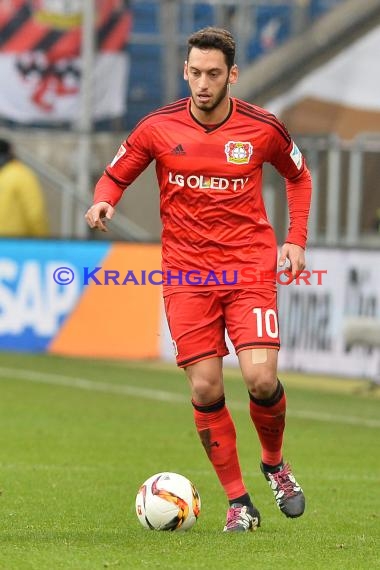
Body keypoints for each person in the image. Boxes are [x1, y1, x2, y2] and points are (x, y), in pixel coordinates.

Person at [85, 27, 312, 533]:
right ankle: (238, 502)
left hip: (249, 268)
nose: (202, 83)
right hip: (187, 275)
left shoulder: (262, 128)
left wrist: (295, 239)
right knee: (207, 388)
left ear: (231, 74)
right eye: (194, 73)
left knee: (260, 378)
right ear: (184, 71)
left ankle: (275, 465)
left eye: (213, 74)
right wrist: (105, 199)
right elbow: (117, 173)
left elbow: (298, 175)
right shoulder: (158, 126)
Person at [0, 138, 49, 237]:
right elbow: (35, 214)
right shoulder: (22, 175)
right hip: (17, 244)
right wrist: (43, 240)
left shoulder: (7, 175)